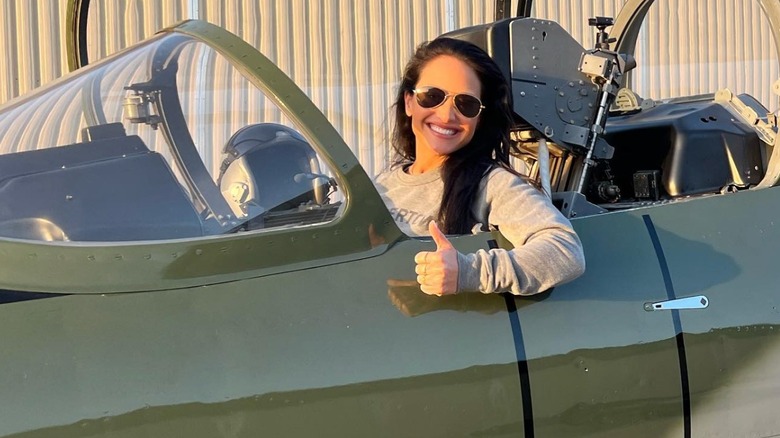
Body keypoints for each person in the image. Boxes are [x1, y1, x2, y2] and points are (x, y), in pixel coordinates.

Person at [374, 37, 585, 296]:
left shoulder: (489, 183)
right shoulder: (384, 183)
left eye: (466, 104)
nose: (446, 115)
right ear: (409, 102)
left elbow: (565, 250)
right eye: (432, 96)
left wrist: (469, 272)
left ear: (480, 118)